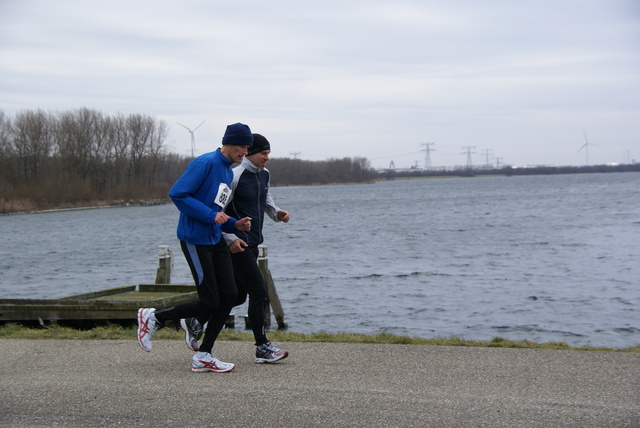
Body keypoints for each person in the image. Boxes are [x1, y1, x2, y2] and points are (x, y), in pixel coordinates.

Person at [136, 122, 253, 374]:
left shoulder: (228, 172)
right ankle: (154, 317)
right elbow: (178, 194)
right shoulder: (205, 163)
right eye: (242, 147)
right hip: (194, 239)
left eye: (247, 148)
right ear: (229, 143)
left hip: (214, 238)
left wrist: (235, 224)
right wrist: (211, 217)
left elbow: (217, 210)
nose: (245, 152)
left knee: (230, 295)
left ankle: (204, 355)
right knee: (210, 300)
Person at [180, 133, 290, 364]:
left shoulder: (264, 174)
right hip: (236, 243)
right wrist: (229, 238)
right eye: (264, 153)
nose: (267, 158)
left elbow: (266, 201)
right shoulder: (234, 176)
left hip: (253, 242)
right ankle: (262, 346)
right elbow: (219, 208)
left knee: (238, 295)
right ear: (249, 153)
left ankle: (196, 320)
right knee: (259, 290)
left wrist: (277, 214)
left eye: (269, 153)